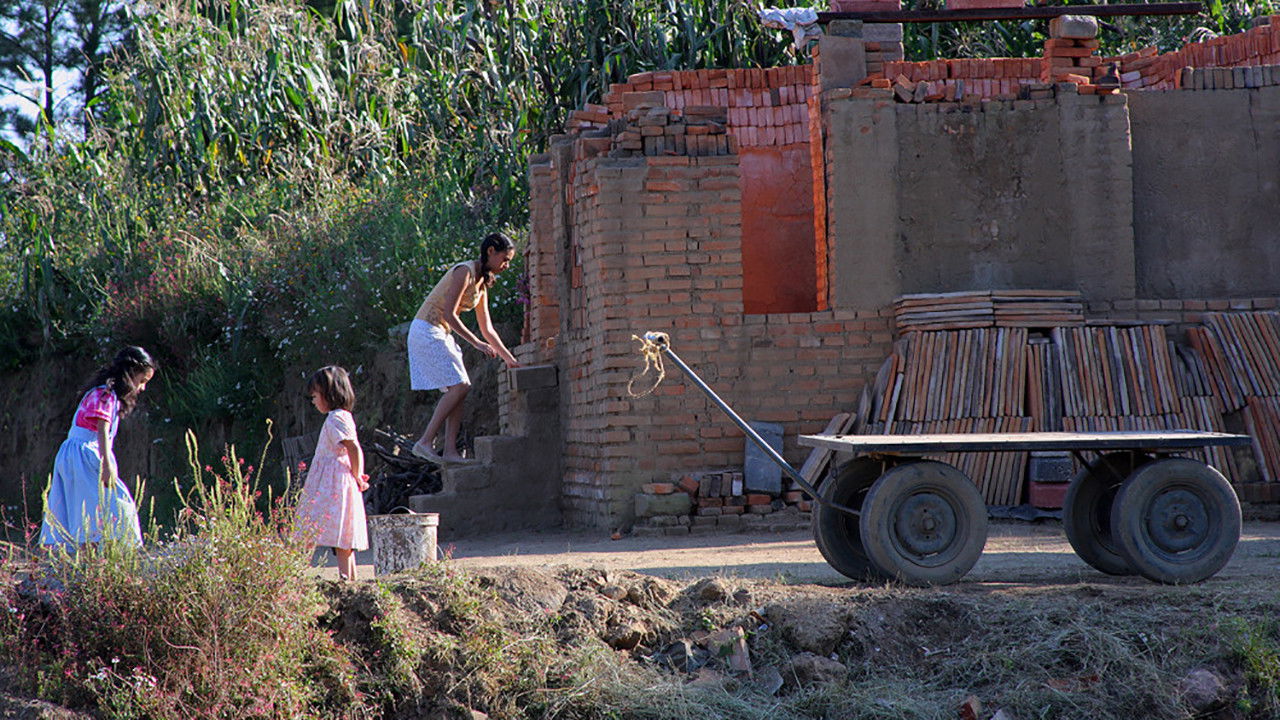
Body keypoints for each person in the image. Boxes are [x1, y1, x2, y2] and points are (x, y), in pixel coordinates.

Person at [408, 232, 520, 464]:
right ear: (490, 252)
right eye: (505, 259)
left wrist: (510, 359)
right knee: (459, 386)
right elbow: (449, 313)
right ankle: (425, 442)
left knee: (460, 388)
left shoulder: (482, 285)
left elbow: (487, 328)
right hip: (426, 330)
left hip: (442, 333)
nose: (506, 265)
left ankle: (450, 451)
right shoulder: (464, 271)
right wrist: (477, 344)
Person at [40, 346, 155, 549]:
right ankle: (94, 563)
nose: (142, 387)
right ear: (131, 373)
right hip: (86, 456)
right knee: (109, 508)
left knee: (88, 509)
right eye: (142, 381)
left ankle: (92, 563)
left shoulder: (102, 393)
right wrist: (106, 462)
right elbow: (102, 425)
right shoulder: (105, 394)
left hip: (74, 455)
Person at [296, 365, 369, 581]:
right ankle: (349, 579)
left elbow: (353, 447)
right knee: (341, 533)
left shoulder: (337, 417)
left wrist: (358, 475)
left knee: (310, 527)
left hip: (333, 486)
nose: (314, 400)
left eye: (316, 395)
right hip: (334, 482)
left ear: (329, 394)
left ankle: (295, 576)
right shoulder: (340, 416)